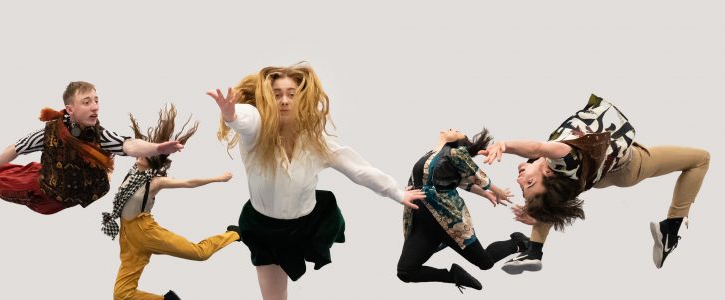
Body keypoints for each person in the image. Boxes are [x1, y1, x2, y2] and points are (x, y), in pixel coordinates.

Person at [207, 63, 426, 300]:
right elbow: (246, 119)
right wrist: (231, 114)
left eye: (291, 94)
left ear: (302, 99)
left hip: (307, 223)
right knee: (274, 296)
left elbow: (358, 169)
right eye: (276, 94)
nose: (284, 100)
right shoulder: (256, 132)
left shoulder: (316, 142)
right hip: (264, 228)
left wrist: (397, 193)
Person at [478, 94, 710, 273]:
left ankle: (534, 252)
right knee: (701, 159)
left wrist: (540, 215)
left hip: (597, 175)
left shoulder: (560, 179)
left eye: (523, 187)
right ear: (547, 173)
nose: (519, 179)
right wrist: (504, 146)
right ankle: (671, 229)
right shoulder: (560, 158)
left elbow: (551, 197)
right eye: (529, 182)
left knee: (555, 199)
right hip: (630, 166)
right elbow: (538, 147)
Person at [0, 81, 184, 214]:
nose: (95, 107)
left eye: (97, 101)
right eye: (86, 102)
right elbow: (17, 147)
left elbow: (129, 145)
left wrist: (157, 148)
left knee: (8, 191)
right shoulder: (50, 133)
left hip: (59, 201)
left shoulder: (100, 136)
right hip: (41, 184)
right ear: (70, 109)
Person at [104, 104, 239, 300]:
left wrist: (217, 178)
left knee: (200, 253)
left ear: (153, 161)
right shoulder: (131, 174)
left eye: (146, 153)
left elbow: (188, 183)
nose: (141, 154)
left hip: (147, 231)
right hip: (128, 237)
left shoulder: (155, 182)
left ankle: (234, 233)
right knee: (121, 294)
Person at [396, 128, 528, 293]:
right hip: (424, 224)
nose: (453, 129)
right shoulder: (430, 153)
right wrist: (486, 194)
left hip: (448, 221)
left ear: (459, 141)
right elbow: (459, 182)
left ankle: (519, 242)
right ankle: (454, 276)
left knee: (485, 263)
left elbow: (476, 174)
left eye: (458, 131)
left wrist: (495, 190)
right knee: (406, 271)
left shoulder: (455, 152)